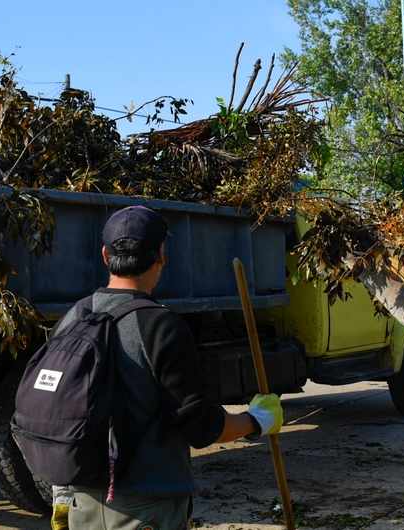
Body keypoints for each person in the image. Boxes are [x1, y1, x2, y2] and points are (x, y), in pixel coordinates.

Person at [51, 205, 283, 530]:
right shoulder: (161, 326)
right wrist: (258, 419)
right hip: (146, 511)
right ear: (161, 254)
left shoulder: (73, 318)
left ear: (105, 256)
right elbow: (203, 427)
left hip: (81, 504)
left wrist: (62, 494)